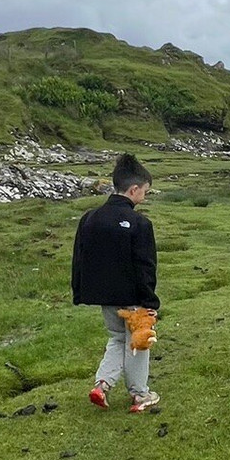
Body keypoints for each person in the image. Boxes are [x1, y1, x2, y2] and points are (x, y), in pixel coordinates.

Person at [71, 153, 161, 413]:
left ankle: (102, 384)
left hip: (104, 296)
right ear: (133, 189)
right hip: (133, 298)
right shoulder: (140, 223)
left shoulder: (89, 218)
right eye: (144, 192)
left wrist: (79, 291)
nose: (144, 197)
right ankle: (140, 395)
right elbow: (145, 266)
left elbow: (79, 258)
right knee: (139, 342)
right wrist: (150, 301)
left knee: (117, 338)